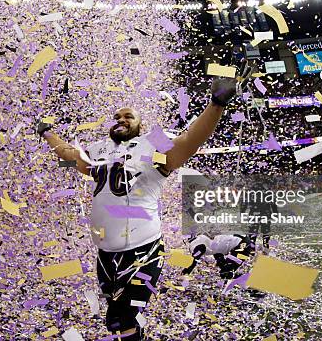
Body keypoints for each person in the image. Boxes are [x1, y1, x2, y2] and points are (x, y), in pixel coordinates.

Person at [36, 71, 248, 340]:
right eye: (117, 117)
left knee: (125, 317)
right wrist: (47, 134)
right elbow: (68, 154)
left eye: (128, 116)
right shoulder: (99, 149)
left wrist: (216, 105)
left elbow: (188, 142)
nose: (121, 120)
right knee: (115, 319)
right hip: (105, 253)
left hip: (142, 248)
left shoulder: (152, 141)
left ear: (140, 122)